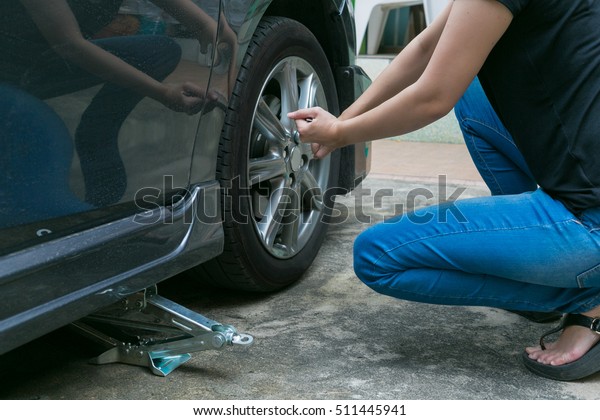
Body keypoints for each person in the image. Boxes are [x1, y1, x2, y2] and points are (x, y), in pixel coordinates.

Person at [288, 0, 600, 381]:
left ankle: (586, 296)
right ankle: (540, 247)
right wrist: (343, 123)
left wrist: (340, 134)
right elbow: (426, 49)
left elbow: (433, 97)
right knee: (469, 86)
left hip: (591, 219)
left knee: (377, 256)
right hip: (585, 177)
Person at [1, 0, 232, 207]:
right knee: (48, 140)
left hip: (45, 60)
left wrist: (206, 26)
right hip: (13, 72)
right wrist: (161, 93)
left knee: (160, 51)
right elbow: (70, 45)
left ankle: (97, 132)